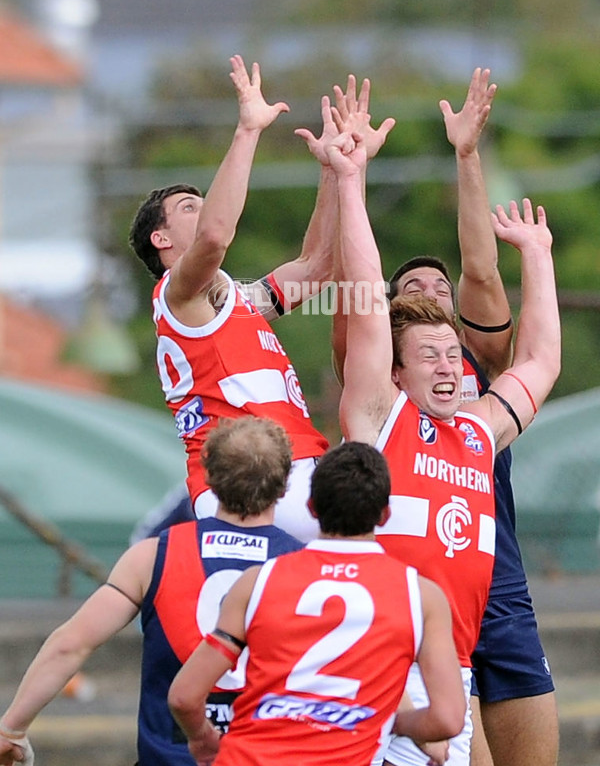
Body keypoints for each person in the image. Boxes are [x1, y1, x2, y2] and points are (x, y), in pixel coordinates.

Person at [332, 67, 559, 766]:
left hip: (454, 656)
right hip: (388, 656)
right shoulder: (383, 416)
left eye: (451, 351)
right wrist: (348, 178)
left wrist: (540, 257)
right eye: (427, 353)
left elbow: (542, 360)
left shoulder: (475, 432)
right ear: (394, 372)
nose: (448, 363)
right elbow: (367, 296)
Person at [0, 416, 303, 766]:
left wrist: (12, 729)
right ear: (284, 485)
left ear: (207, 477)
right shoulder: (307, 567)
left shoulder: (154, 556)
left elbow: (71, 644)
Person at [128, 54, 339, 542]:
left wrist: (335, 170)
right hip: (249, 480)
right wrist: (248, 130)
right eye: (188, 206)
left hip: (294, 470)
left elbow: (319, 266)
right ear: (161, 240)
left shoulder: (235, 299)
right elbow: (214, 236)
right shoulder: (179, 294)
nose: (203, 209)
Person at [167, 440, 466, 766]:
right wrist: (388, 721)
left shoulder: (258, 581)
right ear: (385, 515)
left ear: (311, 507)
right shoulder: (420, 595)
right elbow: (448, 719)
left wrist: (202, 738)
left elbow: (184, 696)